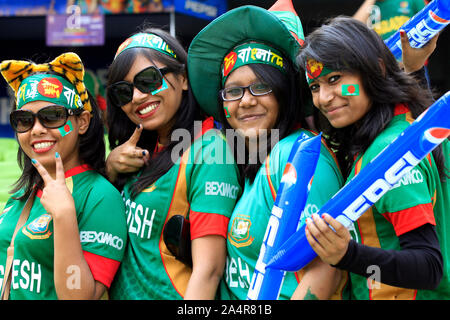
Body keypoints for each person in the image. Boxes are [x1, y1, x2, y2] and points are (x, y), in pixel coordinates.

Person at [188, 0, 347, 300]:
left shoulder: (300, 155)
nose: (245, 101)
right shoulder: (251, 160)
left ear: (284, 94)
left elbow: (325, 271)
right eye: (233, 91)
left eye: (261, 87)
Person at [298, 16, 450, 300]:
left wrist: (346, 254)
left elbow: (429, 267)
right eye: (315, 87)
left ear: (376, 70)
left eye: (334, 79)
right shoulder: (410, 124)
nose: (325, 98)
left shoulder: (388, 151)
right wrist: (414, 69)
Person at [105, 27, 241, 300]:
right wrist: (109, 169)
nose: (137, 97)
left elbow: (209, 270)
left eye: (149, 80)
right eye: (124, 91)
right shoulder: (140, 149)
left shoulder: (209, 150)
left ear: (184, 79)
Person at [0, 52, 127, 300]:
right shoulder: (22, 194)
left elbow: (80, 297)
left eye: (52, 116)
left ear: (82, 122)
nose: (36, 130)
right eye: (24, 120)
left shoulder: (101, 197)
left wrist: (65, 216)